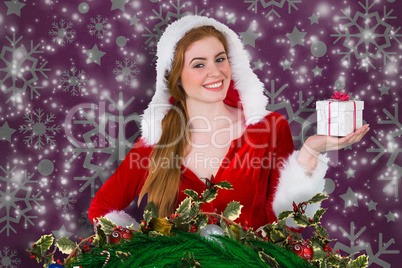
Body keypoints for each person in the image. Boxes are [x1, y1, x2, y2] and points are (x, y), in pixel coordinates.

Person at [88, 15, 369, 231]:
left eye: (220, 59)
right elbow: (101, 209)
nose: (215, 72)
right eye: (199, 64)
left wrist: (310, 152)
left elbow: (286, 221)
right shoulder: (156, 141)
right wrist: (146, 254)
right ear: (175, 78)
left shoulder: (269, 128)